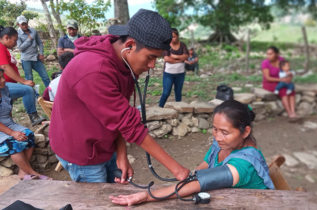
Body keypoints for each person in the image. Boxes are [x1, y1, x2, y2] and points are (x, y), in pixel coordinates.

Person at [50, 9, 190, 183]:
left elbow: (120, 112)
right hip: (82, 152)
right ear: (129, 45)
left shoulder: (125, 62)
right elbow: (128, 123)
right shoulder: (94, 70)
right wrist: (178, 170)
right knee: (98, 202)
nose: (152, 65)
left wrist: (121, 154)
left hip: (104, 144)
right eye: (150, 57)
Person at [110, 100, 274, 206]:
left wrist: (146, 196)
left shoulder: (244, 164)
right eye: (215, 129)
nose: (217, 137)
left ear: (245, 132)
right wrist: (192, 176)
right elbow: (203, 167)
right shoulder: (225, 144)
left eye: (224, 132)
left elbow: (199, 183)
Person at [0, 69, 51, 180]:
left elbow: (8, 109)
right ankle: (32, 172)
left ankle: (23, 172)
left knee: (28, 135)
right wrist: (12, 133)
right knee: (14, 144)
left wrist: (14, 127)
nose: (3, 80)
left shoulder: (4, 89)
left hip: (6, 123)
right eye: (0, 78)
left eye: (2, 76)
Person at [0, 26, 45, 126]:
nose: (16, 43)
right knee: (27, 90)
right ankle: (34, 117)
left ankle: (9, 123)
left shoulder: (4, 48)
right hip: (3, 84)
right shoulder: (0, 47)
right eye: (14, 40)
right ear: (6, 37)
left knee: (8, 106)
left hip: (6, 84)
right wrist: (23, 81)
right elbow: (4, 66)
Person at [261, 46, 297, 119]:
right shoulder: (265, 63)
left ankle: (293, 111)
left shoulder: (281, 60)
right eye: (267, 54)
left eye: (271, 54)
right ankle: (289, 113)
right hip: (269, 83)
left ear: (277, 54)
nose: (268, 56)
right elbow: (267, 78)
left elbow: (287, 71)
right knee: (283, 90)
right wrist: (281, 80)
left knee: (291, 91)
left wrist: (289, 78)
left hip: (282, 81)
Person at [16, 16, 50, 87]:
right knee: (29, 79)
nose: (25, 26)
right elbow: (20, 48)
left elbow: (40, 43)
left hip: (36, 58)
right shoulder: (17, 34)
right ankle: (32, 96)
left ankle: (51, 93)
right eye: (22, 24)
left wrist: (41, 53)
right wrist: (29, 39)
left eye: (25, 23)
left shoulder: (33, 31)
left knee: (45, 76)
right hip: (26, 60)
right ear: (18, 25)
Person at [159, 28, 189, 107]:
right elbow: (167, 58)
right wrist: (179, 59)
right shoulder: (167, 45)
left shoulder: (182, 45)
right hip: (168, 74)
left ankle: (179, 109)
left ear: (178, 36)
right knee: (166, 92)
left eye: (174, 37)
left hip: (180, 73)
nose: (172, 39)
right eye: (171, 37)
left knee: (178, 93)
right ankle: (159, 108)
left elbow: (186, 56)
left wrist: (174, 56)